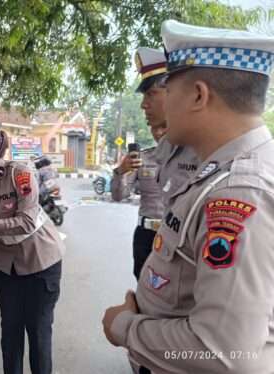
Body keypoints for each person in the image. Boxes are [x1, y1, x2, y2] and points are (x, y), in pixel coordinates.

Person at [103, 20, 274, 373]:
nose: (158, 102)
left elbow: (223, 355)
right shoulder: (222, 172)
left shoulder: (239, 191)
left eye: (168, 86)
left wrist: (124, 328)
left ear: (198, 95)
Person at [0, 118, 64, 374]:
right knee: (10, 334)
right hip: (6, 269)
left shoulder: (20, 173)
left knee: (39, 334)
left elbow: (27, 222)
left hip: (41, 263)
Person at [111, 47, 170, 280]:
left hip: (173, 237)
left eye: (164, 127)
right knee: (144, 290)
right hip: (146, 234)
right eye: (155, 129)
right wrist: (120, 171)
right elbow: (119, 196)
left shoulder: (195, 156)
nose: (158, 133)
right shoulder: (143, 158)